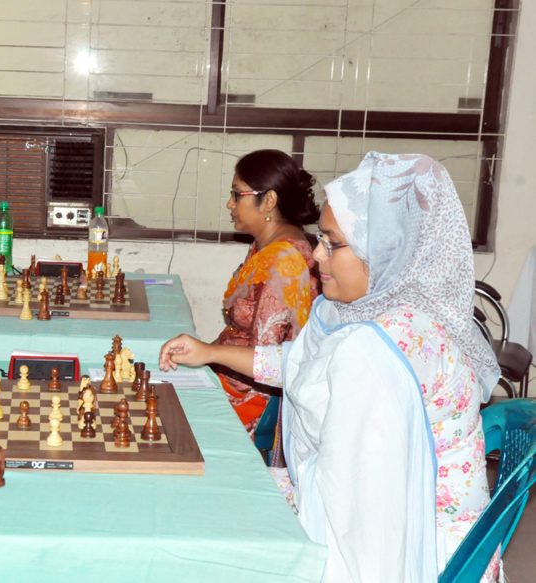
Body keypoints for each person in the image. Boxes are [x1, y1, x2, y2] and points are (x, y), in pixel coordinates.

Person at [160, 152, 500, 582]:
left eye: (333, 243)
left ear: (385, 253)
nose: (316, 255)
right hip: (374, 510)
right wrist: (210, 352)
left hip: (411, 549)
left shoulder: (379, 349)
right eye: (321, 238)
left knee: (205, 523)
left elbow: (355, 513)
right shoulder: (372, 312)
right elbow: (302, 363)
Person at [216, 150, 320, 453]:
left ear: (269, 201)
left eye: (237, 195)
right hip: (235, 377)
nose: (230, 204)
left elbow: (265, 360)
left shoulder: (284, 260)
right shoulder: (265, 245)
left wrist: (209, 358)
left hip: (252, 399)